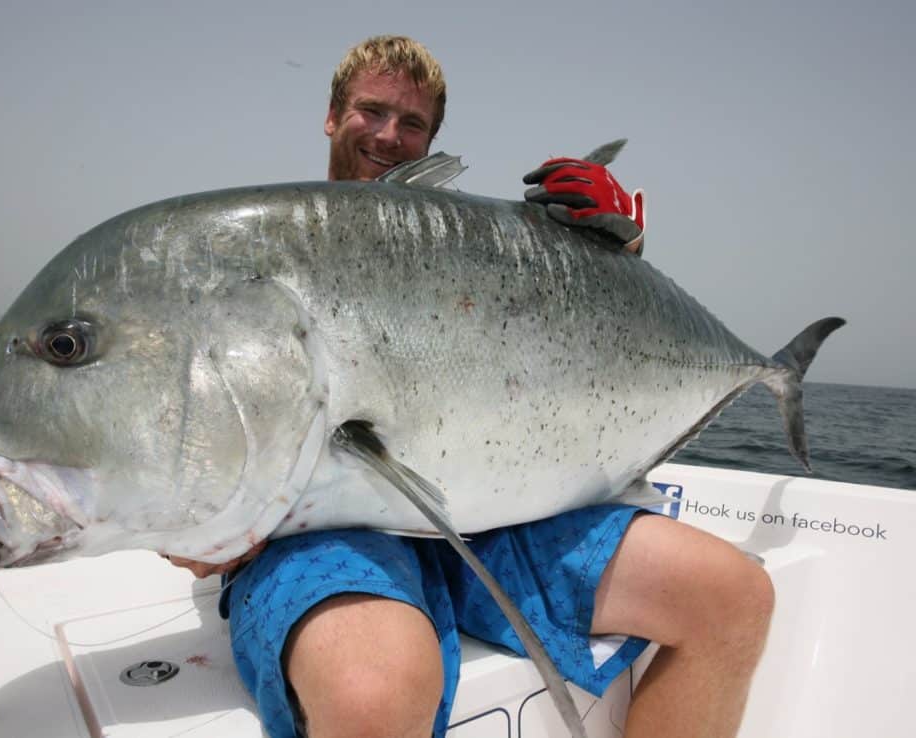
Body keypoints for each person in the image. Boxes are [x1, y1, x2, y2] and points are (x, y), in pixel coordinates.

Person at [170, 35, 774, 738]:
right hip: (321, 534)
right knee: (374, 696)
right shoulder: (263, 252)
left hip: (491, 516)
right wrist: (188, 519)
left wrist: (616, 255)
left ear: (432, 140)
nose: (390, 134)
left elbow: (576, 350)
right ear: (332, 117)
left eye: (414, 123)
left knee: (733, 596)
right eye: (372, 110)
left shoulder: (479, 252)